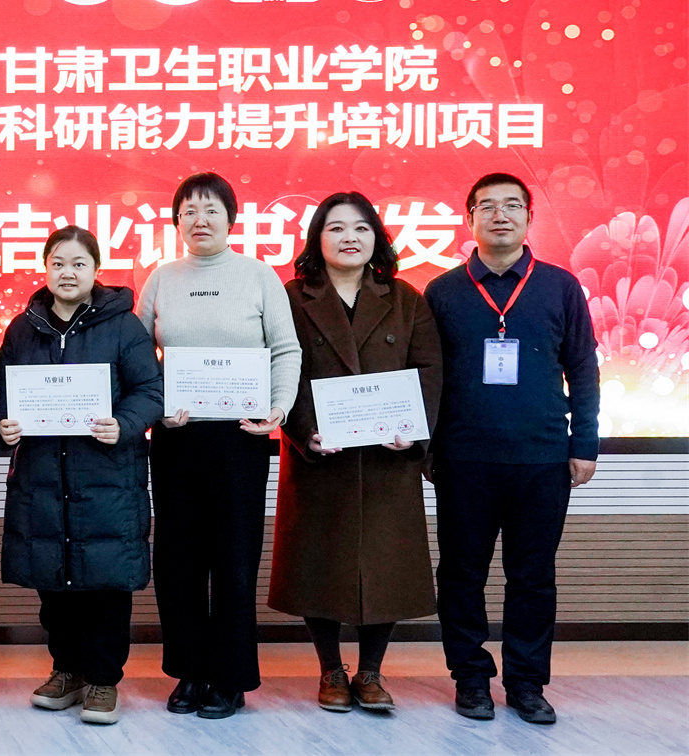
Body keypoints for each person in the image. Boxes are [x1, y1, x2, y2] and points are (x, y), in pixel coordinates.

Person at [425, 172, 599, 726]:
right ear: (469, 218)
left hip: (542, 457)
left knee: (533, 576)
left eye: (512, 206)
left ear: (528, 217)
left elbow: (583, 367)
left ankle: (526, 682)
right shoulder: (443, 291)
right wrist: (426, 448)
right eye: (487, 206)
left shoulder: (560, 286)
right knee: (461, 574)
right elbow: (427, 377)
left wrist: (585, 442)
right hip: (463, 458)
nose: (499, 215)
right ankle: (470, 677)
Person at [269, 193, 443, 713]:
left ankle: (370, 672)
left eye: (362, 228)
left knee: (385, 564)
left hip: (387, 459)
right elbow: (280, 369)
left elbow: (429, 371)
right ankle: (330, 670)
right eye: (337, 228)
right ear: (317, 239)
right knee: (318, 564)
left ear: (377, 238)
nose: (350, 237)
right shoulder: (290, 297)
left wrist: (414, 431)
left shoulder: (406, 298)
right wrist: (305, 431)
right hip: (321, 457)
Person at [136, 171, 301, 719]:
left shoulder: (259, 276)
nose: (199, 220)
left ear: (231, 219)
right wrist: (157, 408)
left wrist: (277, 407)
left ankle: (229, 677)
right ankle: (189, 671)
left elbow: (286, 349)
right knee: (178, 559)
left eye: (211, 210)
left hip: (240, 438)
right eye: (188, 211)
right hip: (177, 438)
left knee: (233, 560)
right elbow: (137, 357)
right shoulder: (162, 278)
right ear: (176, 222)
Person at [0, 225, 163, 728]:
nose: (67, 273)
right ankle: (66, 670)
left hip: (107, 478)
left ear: (96, 270)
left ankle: (104, 679)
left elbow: (150, 391)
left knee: (106, 585)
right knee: (54, 581)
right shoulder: (22, 328)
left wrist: (124, 424)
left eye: (78, 263)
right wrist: (4, 424)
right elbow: (3, 391)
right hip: (43, 478)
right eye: (58, 263)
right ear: (45, 268)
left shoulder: (124, 326)